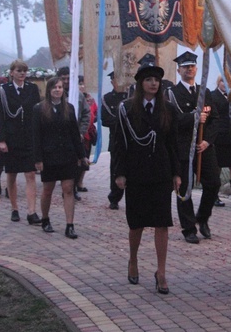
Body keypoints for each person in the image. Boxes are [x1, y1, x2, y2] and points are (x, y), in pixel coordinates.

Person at [112, 60, 181, 294]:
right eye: (149, 79)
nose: (153, 83)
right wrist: (119, 173)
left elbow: (173, 143)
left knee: (162, 223)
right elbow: (119, 143)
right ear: (141, 83)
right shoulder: (127, 108)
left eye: (157, 80)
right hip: (136, 172)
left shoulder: (168, 109)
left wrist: (177, 173)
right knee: (137, 223)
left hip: (161, 172)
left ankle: (161, 272)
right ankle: (133, 259)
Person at [166, 50, 221, 244]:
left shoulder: (204, 91)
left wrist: (208, 141)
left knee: (213, 184)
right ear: (179, 70)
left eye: (192, 66)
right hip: (183, 148)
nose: (189, 69)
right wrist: (194, 118)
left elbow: (215, 119)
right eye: (185, 67)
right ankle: (188, 228)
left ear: (197, 69)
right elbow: (173, 120)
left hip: (204, 147)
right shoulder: (172, 93)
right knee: (184, 189)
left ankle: (202, 218)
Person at [32, 77, 88, 239]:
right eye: (54, 87)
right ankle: (45, 219)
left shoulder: (69, 108)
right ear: (49, 90)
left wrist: (82, 156)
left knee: (68, 189)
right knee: (48, 190)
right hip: (48, 156)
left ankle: (70, 225)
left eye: (60, 87)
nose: (57, 90)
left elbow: (74, 134)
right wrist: (38, 159)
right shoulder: (39, 109)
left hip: (67, 155)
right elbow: (36, 136)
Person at [0, 60, 41, 224]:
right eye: (19, 70)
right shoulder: (3, 90)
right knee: (12, 174)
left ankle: (32, 211)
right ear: (11, 72)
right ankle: (14, 208)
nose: (22, 73)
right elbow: (0, 115)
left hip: (28, 137)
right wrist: (1, 139)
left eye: (24, 71)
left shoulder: (32, 89)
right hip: (11, 137)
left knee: (30, 174)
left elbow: (37, 112)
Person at [55, 66, 91, 201]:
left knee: (76, 164)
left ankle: (73, 188)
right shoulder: (55, 94)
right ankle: (65, 187)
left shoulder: (79, 95)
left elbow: (86, 114)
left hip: (76, 136)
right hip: (59, 137)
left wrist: (81, 132)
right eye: (63, 78)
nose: (65, 81)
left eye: (68, 78)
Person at [211, 75, 231, 209]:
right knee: (216, 167)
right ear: (218, 83)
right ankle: (214, 196)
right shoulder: (212, 95)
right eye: (223, 81)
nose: (225, 84)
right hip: (218, 137)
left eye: (228, 81)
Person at [102, 71, 128, 210]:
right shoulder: (107, 98)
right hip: (116, 140)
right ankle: (114, 197)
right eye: (115, 80)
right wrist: (122, 122)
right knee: (116, 169)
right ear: (112, 82)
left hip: (131, 141)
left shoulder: (132, 96)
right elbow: (105, 120)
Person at [77, 76, 97, 193]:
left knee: (85, 159)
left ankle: (80, 182)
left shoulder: (91, 100)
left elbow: (94, 115)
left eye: (84, 84)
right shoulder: (73, 98)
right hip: (77, 133)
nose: (82, 86)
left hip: (88, 134)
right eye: (80, 84)